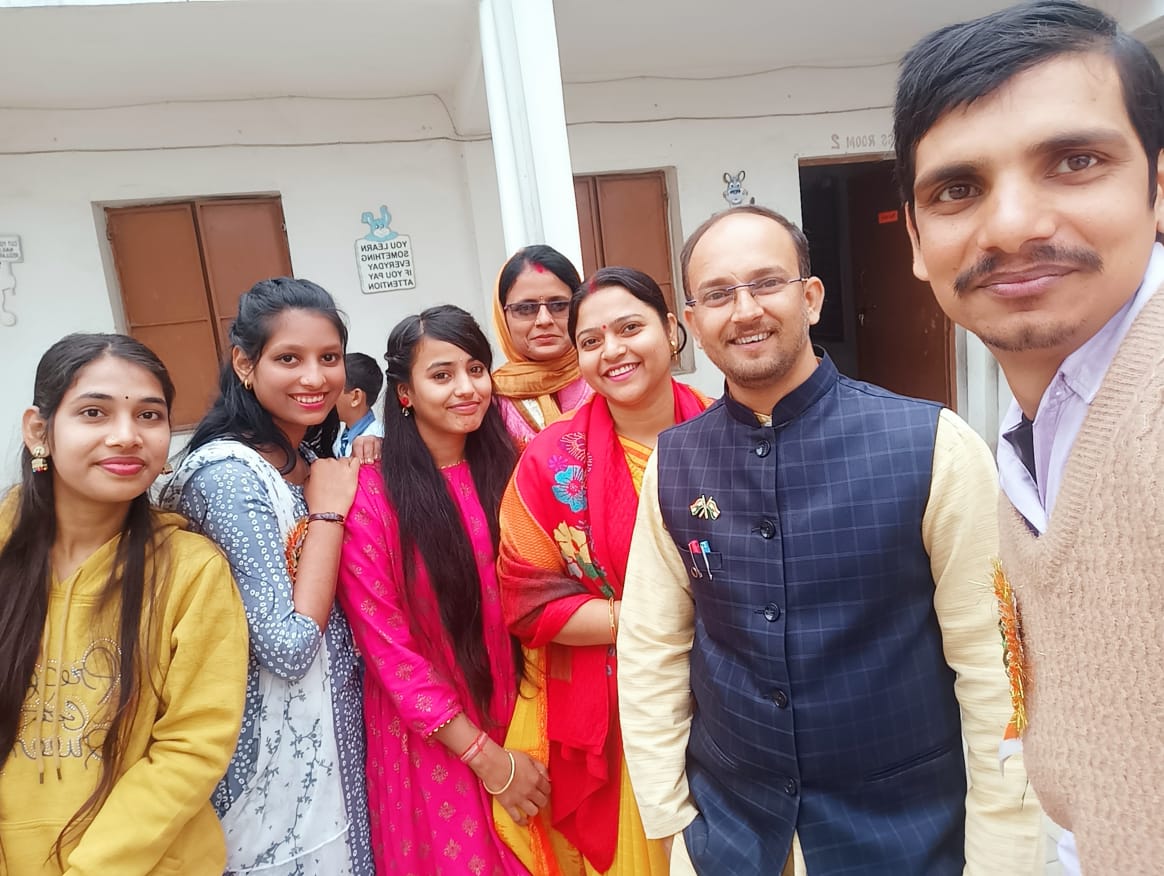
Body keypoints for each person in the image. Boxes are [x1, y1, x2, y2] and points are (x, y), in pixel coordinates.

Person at [617, 206, 1045, 875]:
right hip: (731, 838)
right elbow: (651, 648)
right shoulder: (675, 463)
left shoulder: (932, 445)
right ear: (693, 324)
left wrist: (1003, 855)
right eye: (719, 294)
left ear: (811, 298)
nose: (745, 310)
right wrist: (673, 821)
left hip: (906, 838)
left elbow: (995, 669)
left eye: (767, 283)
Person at [896, 2, 1164, 871]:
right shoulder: (1031, 427)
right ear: (916, 239)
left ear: (1158, 187)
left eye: (1075, 162)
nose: (1011, 225)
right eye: (957, 189)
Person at [0, 333, 248, 874]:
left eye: (149, 415)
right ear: (39, 430)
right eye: (94, 412)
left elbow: (191, 746)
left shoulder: (192, 570)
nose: (126, 436)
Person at [495, 267, 709, 876]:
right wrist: (656, 618)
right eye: (590, 341)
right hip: (617, 711)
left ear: (671, 330)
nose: (612, 351)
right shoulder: (550, 462)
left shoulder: (734, 435)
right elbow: (528, 601)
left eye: (630, 328)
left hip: (731, 694)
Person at [159, 278, 372, 875]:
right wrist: (327, 514)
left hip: (332, 746)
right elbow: (287, 646)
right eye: (289, 359)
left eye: (329, 357)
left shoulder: (305, 462)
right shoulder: (228, 476)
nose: (315, 377)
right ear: (245, 364)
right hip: (269, 775)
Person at [337, 304, 542, 875]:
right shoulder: (372, 497)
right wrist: (486, 759)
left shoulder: (515, 470)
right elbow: (390, 652)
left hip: (525, 707)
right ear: (405, 393)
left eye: (476, 369)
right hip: (433, 735)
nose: (466, 388)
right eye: (442, 375)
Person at [492, 245, 593, 448]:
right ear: (503, 316)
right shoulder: (488, 401)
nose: (544, 320)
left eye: (559, 305)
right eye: (525, 308)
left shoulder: (604, 378)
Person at [333, 352, 385, 457]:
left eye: (333, 390)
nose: (326, 398)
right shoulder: (342, 437)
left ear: (356, 397)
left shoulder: (377, 445)